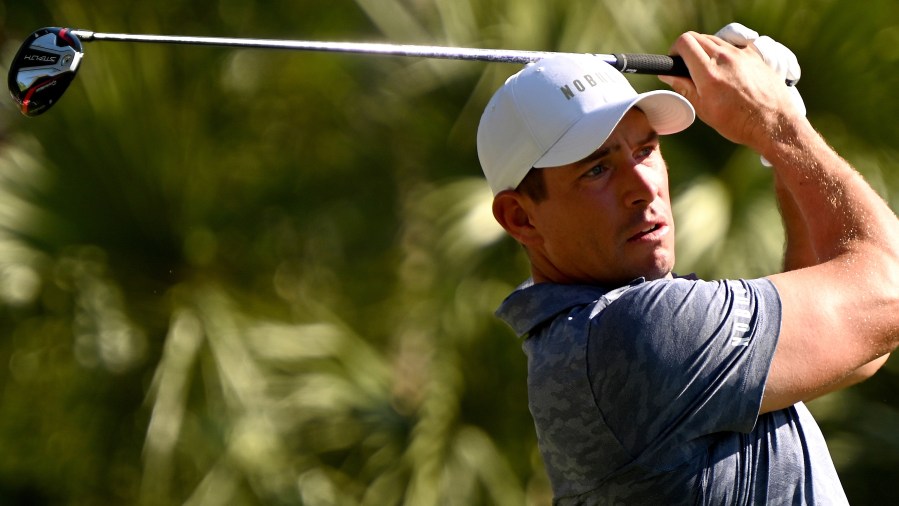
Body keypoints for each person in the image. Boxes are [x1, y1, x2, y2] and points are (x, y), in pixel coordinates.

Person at [476, 23, 899, 505]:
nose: (642, 186)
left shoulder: (595, 337)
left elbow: (861, 346)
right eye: (596, 169)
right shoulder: (629, 335)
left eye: (646, 150)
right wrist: (778, 124)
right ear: (520, 217)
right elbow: (888, 294)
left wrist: (779, 145)